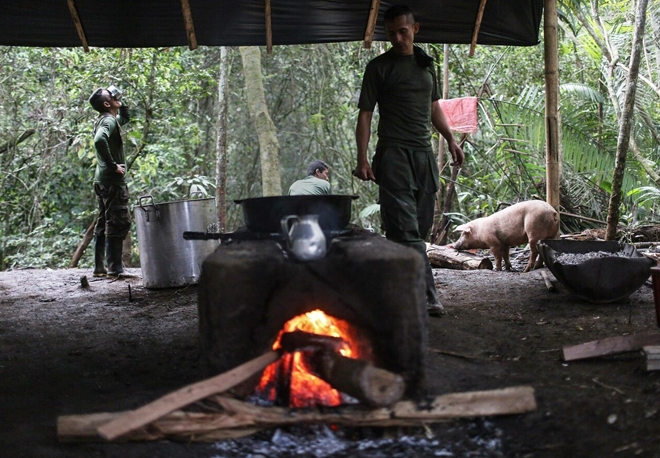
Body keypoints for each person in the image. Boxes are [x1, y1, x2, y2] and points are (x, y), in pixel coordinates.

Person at [353, 4, 465, 317]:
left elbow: (434, 109)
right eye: (391, 34)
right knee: (405, 229)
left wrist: (451, 139)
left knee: (419, 228)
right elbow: (365, 116)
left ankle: (392, 287)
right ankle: (427, 295)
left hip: (423, 157)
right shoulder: (379, 67)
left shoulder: (426, 65)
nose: (398, 38)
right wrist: (363, 159)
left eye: (403, 31)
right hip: (393, 156)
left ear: (415, 29)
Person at [88, 85, 131, 278]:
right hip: (112, 182)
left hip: (102, 181)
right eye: (112, 96)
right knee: (118, 222)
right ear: (107, 103)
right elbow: (99, 141)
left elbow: (124, 119)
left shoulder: (108, 119)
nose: (115, 96)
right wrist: (114, 166)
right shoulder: (107, 122)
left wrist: (122, 104)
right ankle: (115, 268)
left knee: (103, 221)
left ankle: (99, 267)